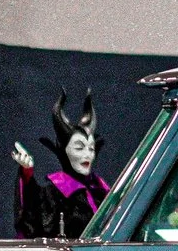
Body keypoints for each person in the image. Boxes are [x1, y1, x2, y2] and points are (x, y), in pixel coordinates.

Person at [12, 92, 111, 238]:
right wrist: (27, 172)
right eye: (79, 147)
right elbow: (32, 216)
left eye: (91, 148)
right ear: (64, 151)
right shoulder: (54, 195)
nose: (88, 155)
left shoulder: (100, 191)